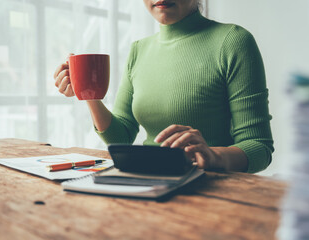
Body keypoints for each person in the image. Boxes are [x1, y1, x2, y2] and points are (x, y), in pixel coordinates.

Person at [54, 0, 274, 173]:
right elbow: (121, 137)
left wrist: (212, 156)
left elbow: (258, 147)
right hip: (147, 182)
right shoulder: (138, 50)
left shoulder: (234, 41)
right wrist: (88, 92)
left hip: (212, 187)